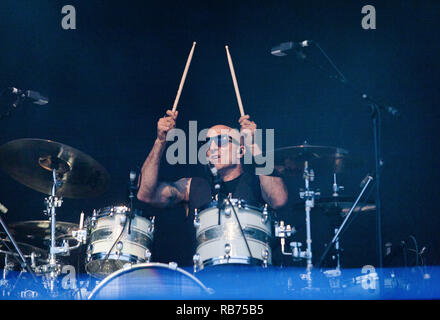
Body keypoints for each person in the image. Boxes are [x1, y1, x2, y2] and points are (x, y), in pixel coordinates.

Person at [137, 110, 288, 212]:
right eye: (207, 143)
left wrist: (253, 144)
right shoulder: (193, 186)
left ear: (241, 151)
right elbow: (145, 194)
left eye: (221, 140)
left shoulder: (258, 182)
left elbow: (278, 200)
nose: (213, 148)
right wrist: (160, 141)